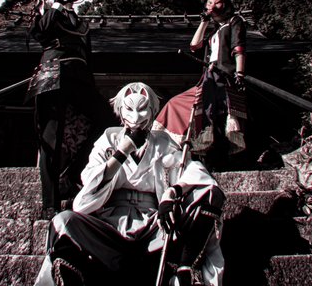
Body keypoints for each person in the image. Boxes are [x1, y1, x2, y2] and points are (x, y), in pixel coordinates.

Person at [33, 82, 225, 286]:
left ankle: (185, 269)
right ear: (121, 112)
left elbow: (195, 173)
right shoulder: (108, 139)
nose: (136, 116)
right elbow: (89, 184)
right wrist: (122, 151)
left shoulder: (163, 142)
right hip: (109, 226)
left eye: (142, 108)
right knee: (63, 222)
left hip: (155, 227)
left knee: (209, 194)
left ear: (152, 110)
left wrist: (171, 193)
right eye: (130, 109)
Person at [26, 0, 116, 218]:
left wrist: (92, 84)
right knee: (51, 137)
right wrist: (55, 4)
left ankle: (73, 172)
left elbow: (88, 56)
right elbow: (41, 32)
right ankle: (50, 203)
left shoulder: (81, 23)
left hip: (80, 78)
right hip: (52, 75)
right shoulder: (47, 10)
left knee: (107, 121)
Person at [153, 0, 248, 171]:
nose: (212, 6)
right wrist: (204, 22)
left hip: (224, 76)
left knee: (216, 115)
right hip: (208, 77)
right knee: (177, 103)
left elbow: (238, 48)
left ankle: (220, 158)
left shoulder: (234, 22)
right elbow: (194, 45)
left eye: (216, 3)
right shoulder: (213, 30)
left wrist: (240, 72)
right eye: (209, 3)